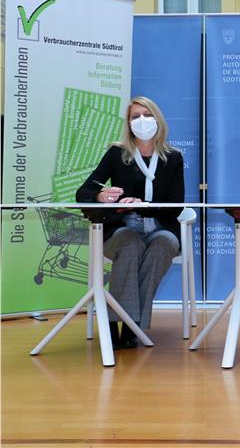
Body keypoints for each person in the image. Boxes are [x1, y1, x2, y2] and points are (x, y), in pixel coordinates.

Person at [77, 96, 184, 349]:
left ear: (158, 119)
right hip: (121, 228)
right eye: (135, 116)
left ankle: (130, 323)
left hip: (159, 227)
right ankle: (118, 324)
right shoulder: (117, 154)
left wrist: (143, 206)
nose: (142, 121)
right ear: (128, 123)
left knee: (164, 244)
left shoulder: (173, 158)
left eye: (146, 115)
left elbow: (176, 204)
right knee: (131, 245)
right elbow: (84, 192)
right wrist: (101, 196)